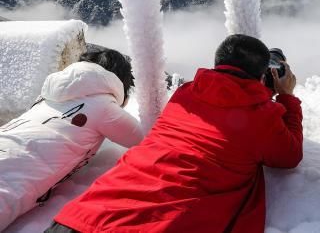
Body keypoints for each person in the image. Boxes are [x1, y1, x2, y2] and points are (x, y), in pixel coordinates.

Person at [48, 34, 303, 233]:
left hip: (83, 216)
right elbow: (289, 155)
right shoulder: (261, 116)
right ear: (260, 76)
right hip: (157, 225)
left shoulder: (186, 93)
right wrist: (287, 98)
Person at [0, 49, 143, 231]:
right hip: (10, 180)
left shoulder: (47, 96)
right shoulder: (103, 106)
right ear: (119, 82)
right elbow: (148, 139)